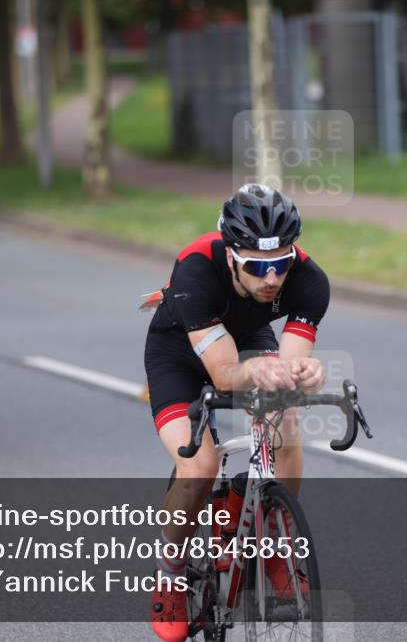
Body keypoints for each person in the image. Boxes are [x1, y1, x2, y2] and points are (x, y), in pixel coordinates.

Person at [143, 184, 329, 641]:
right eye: (257, 267)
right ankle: (171, 570)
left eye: (280, 264)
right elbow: (225, 375)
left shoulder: (310, 281)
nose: (271, 279)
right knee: (201, 465)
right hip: (178, 353)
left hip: (246, 340)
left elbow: (288, 362)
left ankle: (276, 549)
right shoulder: (196, 269)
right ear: (231, 257)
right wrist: (262, 371)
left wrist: (304, 373)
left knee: (285, 414)